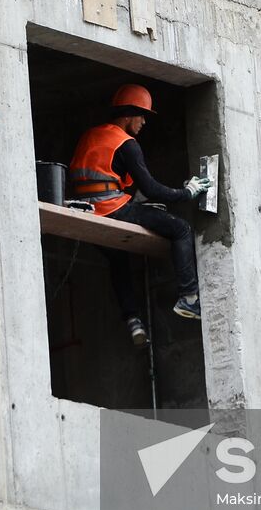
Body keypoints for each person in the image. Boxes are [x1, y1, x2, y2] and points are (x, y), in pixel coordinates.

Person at [67, 84, 213, 347]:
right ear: (128, 114)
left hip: (84, 210)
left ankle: (133, 321)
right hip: (112, 209)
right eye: (141, 115)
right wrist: (186, 192)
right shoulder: (127, 144)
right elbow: (151, 188)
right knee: (180, 229)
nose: (144, 122)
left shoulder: (92, 135)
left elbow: (109, 178)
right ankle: (189, 298)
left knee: (118, 258)